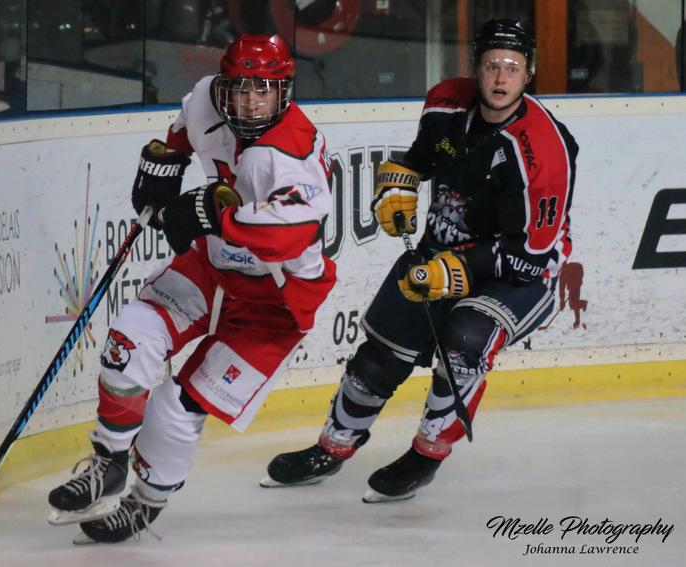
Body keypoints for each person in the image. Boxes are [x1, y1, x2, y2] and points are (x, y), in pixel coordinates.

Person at [262, 19, 579, 503]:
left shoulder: (543, 151)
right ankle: (332, 447)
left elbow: (531, 255)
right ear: (476, 66)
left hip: (519, 275)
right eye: (492, 64)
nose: (500, 77)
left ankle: (427, 453)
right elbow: (419, 159)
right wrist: (398, 184)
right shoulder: (446, 102)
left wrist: (457, 270)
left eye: (512, 68)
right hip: (440, 251)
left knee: (465, 342)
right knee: (379, 356)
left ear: (528, 74)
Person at [47, 34, 336, 542]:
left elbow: (290, 233)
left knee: (175, 407)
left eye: (263, 90)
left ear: (284, 91)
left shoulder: (290, 152)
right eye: (240, 89)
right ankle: (109, 461)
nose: (251, 101)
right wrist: (163, 165)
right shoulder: (205, 99)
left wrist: (213, 214)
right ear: (223, 86)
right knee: (131, 336)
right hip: (211, 266)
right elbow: (179, 135)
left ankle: (145, 502)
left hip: (276, 299)